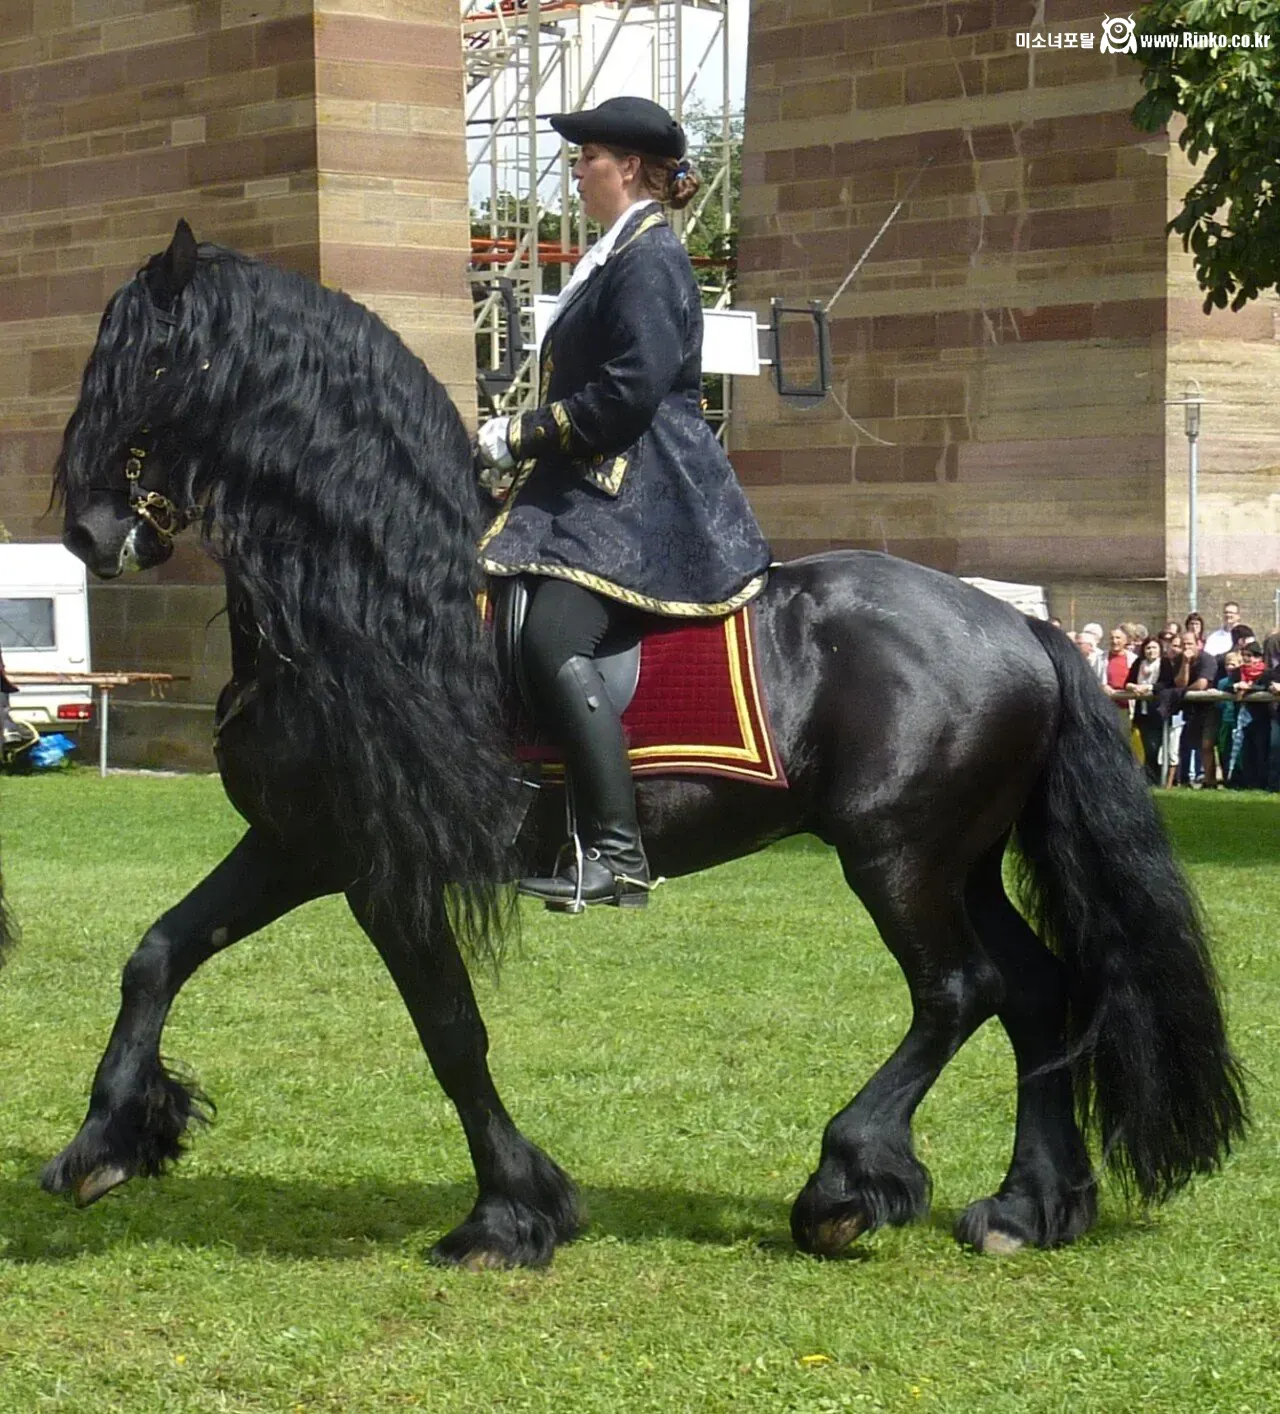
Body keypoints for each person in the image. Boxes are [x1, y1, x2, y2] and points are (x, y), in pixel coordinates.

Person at [475, 96, 772, 909]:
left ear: (630, 169)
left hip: (640, 484)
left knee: (552, 638)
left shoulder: (648, 257)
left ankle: (616, 851)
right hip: (591, 478)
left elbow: (631, 393)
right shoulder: (614, 254)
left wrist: (522, 435)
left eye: (589, 159)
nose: (577, 174)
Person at [1126, 635, 1174, 785]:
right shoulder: (1138, 663)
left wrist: (1148, 688)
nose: (1151, 651)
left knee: (1154, 746)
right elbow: (1128, 681)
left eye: (1154, 647)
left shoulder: (1164, 663)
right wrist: (1133, 687)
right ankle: (1146, 777)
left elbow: (1166, 683)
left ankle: (1154, 777)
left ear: (1160, 650)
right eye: (1148, 648)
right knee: (1143, 745)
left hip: (1157, 710)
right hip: (1141, 711)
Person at [1174, 629, 1217, 786]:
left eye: (1190, 644)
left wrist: (1183, 692)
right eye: (1184, 644)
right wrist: (1185, 663)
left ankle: (1210, 781)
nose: (1187, 648)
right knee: (1187, 745)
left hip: (1210, 707)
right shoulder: (1180, 659)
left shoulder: (1208, 659)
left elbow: (1201, 685)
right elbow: (1180, 683)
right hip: (1190, 709)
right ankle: (1184, 780)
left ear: (1199, 644)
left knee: (1206, 745)